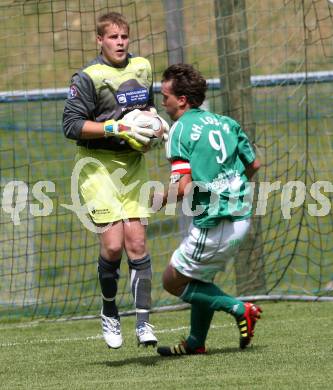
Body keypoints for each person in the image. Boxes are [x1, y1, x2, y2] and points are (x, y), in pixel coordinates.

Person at [62, 12, 168, 349]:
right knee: (112, 245)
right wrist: (115, 127)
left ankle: (142, 322)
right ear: (100, 40)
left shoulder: (142, 68)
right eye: (112, 37)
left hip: (132, 165)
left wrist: (156, 124)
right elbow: (71, 126)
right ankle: (110, 311)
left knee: (137, 243)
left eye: (124, 36)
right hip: (97, 167)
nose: (120, 42)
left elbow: (145, 107)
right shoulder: (88, 77)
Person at [154, 64, 262, 356]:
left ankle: (240, 309)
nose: (162, 102)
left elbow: (181, 188)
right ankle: (195, 342)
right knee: (199, 278)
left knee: (171, 281)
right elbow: (254, 164)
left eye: (165, 96)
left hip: (215, 222)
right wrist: (231, 188)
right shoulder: (225, 122)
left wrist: (154, 201)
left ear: (182, 100)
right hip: (240, 215)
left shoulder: (179, 131)